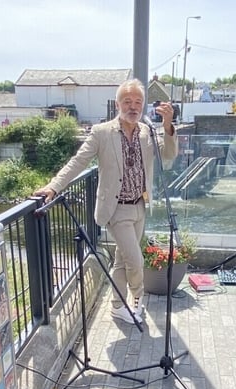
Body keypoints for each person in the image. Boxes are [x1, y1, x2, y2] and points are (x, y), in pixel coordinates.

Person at [33, 79, 178, 325]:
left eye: (138, 102)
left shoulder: (147, 131)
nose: (133, 107)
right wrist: (53, 186)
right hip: (116, 209)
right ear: (118, 104)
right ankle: (136, 301)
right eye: (127, 101)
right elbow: (78, 162)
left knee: (123, 260)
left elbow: (168, 156)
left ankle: (117, 306)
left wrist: (168, 125)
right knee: (135, 260)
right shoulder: (102, 133)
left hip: (140, 205)